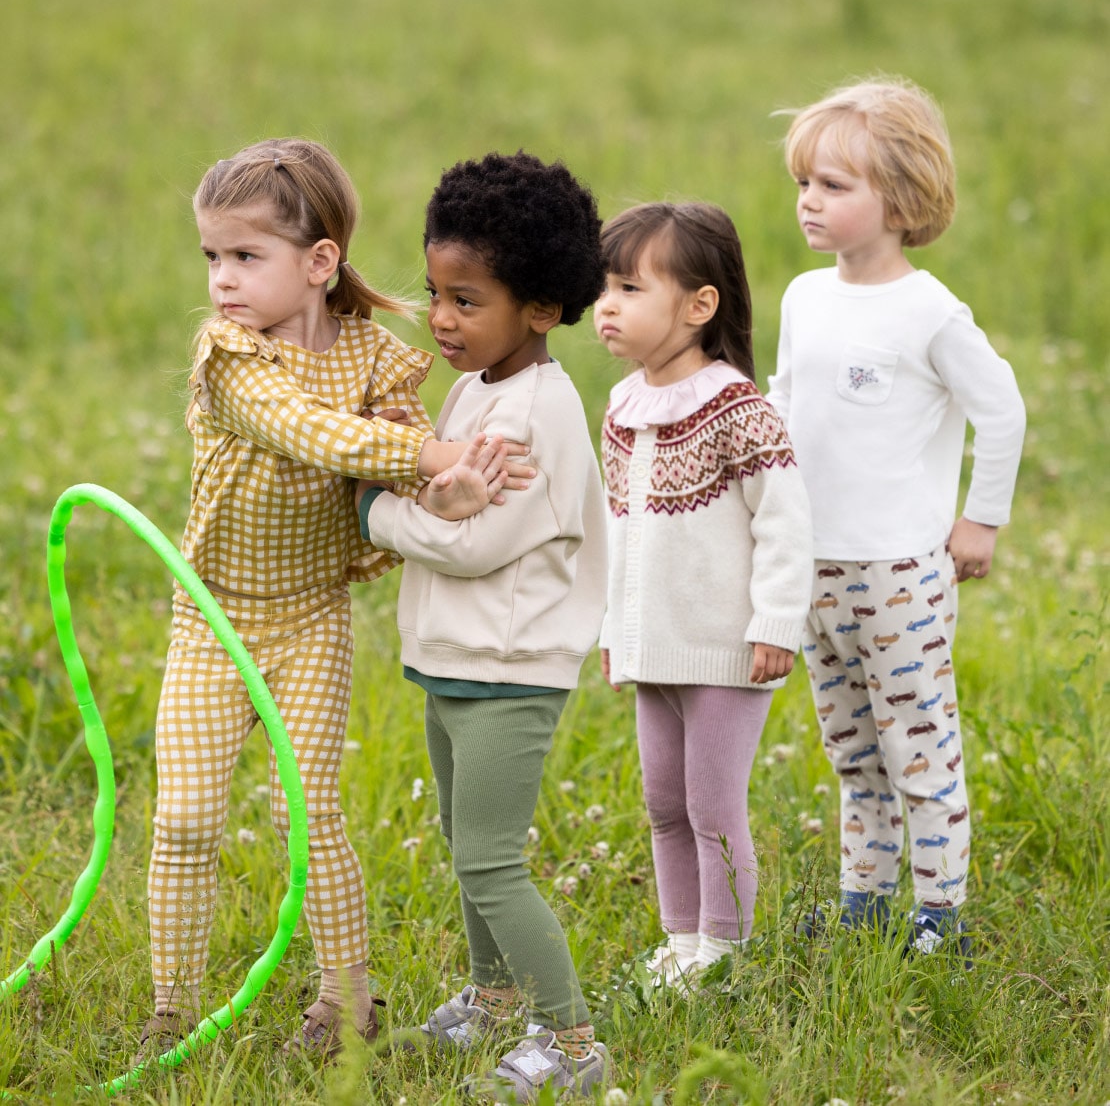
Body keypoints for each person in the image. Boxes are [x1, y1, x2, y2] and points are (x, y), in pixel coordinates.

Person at [140, 137, 522, 1063]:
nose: (222, 279)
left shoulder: (373, 359)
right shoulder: (229, 354)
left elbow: (400, 456)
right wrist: (434, 460)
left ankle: (347, 999)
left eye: (245, 256)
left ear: (318, 264)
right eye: (212, 257)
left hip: (309, 616)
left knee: (306, 811)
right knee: (185, 817)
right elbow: (311, 435)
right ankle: (172, 1006)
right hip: (213, 614)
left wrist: (449, 487)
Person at [358, 150, 610, 1101]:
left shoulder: (537, 411)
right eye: (435, 292)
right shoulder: (476, 392)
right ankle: (495, 1000)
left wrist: (370, 511)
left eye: (467, 300)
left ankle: (572, 1040)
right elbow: (443, 500)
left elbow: (466, 543)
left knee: (493, 858)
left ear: (539, 308)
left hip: (511, 670)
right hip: (457, 663)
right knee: (470, 848)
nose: (441, 317)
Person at [767, 78, 1026, 959]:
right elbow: (786, 400)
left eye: (834, 187)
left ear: (902, 200)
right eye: (805, 182)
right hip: (816, 570)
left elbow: (1004, 409)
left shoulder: (929, 312)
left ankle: (939, 911)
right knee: (852, 752)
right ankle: (864, 898)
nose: (809, 201)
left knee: (920, 750)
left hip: (900, 578)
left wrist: (979, 519)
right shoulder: (804, 296)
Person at [594, 202, 814, 987]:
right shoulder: (623, 408)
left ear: (698, 306)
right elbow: (620, 533)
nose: (606, 306)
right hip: (654, 647)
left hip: (725, 647)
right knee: (662, 803)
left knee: (712, 808)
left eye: (628, 287)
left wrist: (777, 624)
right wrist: (615, 634)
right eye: (603, 288)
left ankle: (723, 951)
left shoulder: (739, 411)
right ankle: (680, 943)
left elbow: (786, 526)